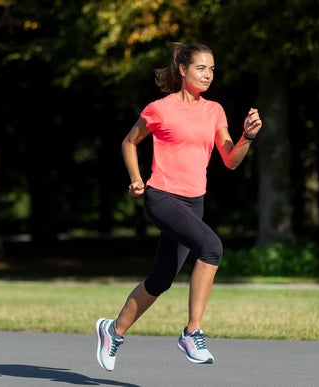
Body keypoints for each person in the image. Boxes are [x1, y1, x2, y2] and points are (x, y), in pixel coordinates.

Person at [95, 42, 262, 372]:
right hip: (162, 196)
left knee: (160, 280)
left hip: (193, 202)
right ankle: (191, 332)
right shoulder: (160, 109)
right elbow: (129, 141)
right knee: (212, 247)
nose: (208, 75)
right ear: (183, 70)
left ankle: (112, 331)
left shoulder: (214, 110)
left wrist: (247, 137)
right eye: (201, 68)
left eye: (212, 69)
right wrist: (136, 178)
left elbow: (229, 160)